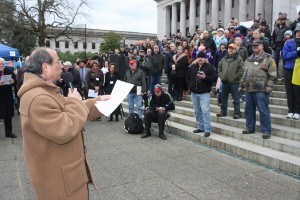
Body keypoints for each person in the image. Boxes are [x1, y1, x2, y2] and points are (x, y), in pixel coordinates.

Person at [17, 47, 110, 199]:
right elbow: (65, 129)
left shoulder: (44, 91)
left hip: (65, 176)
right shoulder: (38, 98)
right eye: (57, 62)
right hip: (58, 183)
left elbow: (68, 108)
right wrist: (75, 102)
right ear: (45, 67)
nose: (61, 65)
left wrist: (99, 101)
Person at [240, 40, 277, 139]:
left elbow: (273, 75)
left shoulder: (268, 58)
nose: (254, 47)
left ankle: (266, 130)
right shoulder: (249, 59)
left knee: (263, 110)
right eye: (253, 46)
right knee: (248, 110)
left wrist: (269, 87)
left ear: (262, 46)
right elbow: (244, 73)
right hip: (249, 89)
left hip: (261, 89)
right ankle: (250, 128)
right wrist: (241, 85)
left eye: (257, 46)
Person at [186, 51, 218, 137]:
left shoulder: (209, 67)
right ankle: (200, 127)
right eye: (199, 57)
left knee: (205, 111)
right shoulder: (192, 66)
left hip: (204, 93)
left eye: (202, 57)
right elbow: (187, 77)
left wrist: (205, 77)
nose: (200, 59)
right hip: (194, 92)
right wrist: (190, 85)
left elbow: (214, 77)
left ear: (205, 58)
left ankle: (207, 129)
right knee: (197, 111)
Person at [216, 43, 244, 119]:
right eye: (229, 48)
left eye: (232, 49)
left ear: (235, 50)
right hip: (224, 81)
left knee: (236, 98)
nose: (230, 50)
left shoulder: (239, 59)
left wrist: (234, 77)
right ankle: (223, 111)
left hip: (234, 82)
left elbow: (241, 70)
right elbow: (219, 68)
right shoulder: (224, 58)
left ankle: (237, 113)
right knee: (224, 98)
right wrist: (221, 76)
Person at [282, 24, 300, 120]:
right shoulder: (289, 42)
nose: (299, 34)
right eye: (297, 32)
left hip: (299, 69)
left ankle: (297, 111)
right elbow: (285, 55)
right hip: (289, 68)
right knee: (289, 91)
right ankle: (291, 110)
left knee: (298, 91)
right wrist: (296, 53)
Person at [0, 57, 17, 138]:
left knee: (8, 115)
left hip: (7, 96)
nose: (1, 65)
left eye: (2, 64)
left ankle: (9, 132)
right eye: (0, 64)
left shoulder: (9, 70)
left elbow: (15, 80)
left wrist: (13, 81)